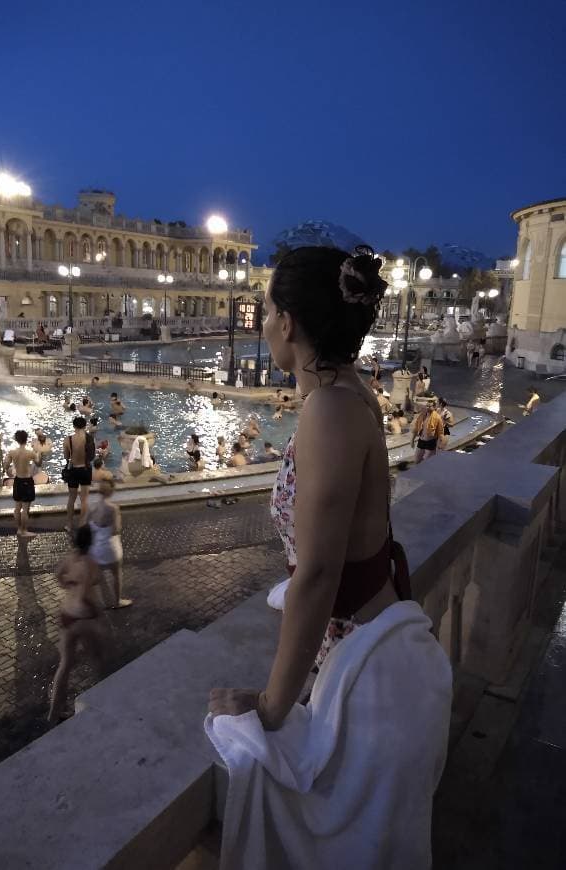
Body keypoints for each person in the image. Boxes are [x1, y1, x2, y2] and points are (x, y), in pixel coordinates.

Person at [208, 245, 450, 868]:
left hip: (370, 685)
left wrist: (267, 708)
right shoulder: (349, 394)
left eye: (264, 312)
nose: (260, 325)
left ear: (287, 323)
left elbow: (317, 574)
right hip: (365, 662)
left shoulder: (330, 411)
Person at [48, 526, 107, 725]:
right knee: (98, 660)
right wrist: (96, 612)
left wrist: (68, 585)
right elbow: (84, 596)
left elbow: (58, 576)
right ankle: (103, 703)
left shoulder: (69, 559)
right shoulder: (90, 563)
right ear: (90, 542)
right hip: (83, 618)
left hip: (66, 616)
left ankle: (53, 713)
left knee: (64, 665)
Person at [87, 480, 132, 610]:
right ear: (111, 491)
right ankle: (117, 601)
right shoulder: (113, 508)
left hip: (96, 547)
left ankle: (87, 601)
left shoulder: (92, 506)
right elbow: (116, 530)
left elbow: (88, 526)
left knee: (95, 576)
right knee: (117, 574)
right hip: (110, 547)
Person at [3, 430, 41, 537]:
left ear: (16, 440)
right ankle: (24, 531)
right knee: (25, 508)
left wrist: (7, 469)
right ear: (26, 439)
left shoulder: (12, 452)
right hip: (27, 481)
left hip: (18, 480)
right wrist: (39, 453)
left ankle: (19, 529)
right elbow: (38, 464)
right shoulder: (30, 453)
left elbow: (6, 466)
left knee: (17, 507)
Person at [63, 416, 96, 533]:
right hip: (86, 470)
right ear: (85, 426)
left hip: (73, 470)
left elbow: (66, 457)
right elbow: (92, 456)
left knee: (71, 498)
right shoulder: (89, 438)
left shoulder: (68, 439)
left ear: (74, 426)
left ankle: (69, 524)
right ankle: (82, 524)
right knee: (84, 499)